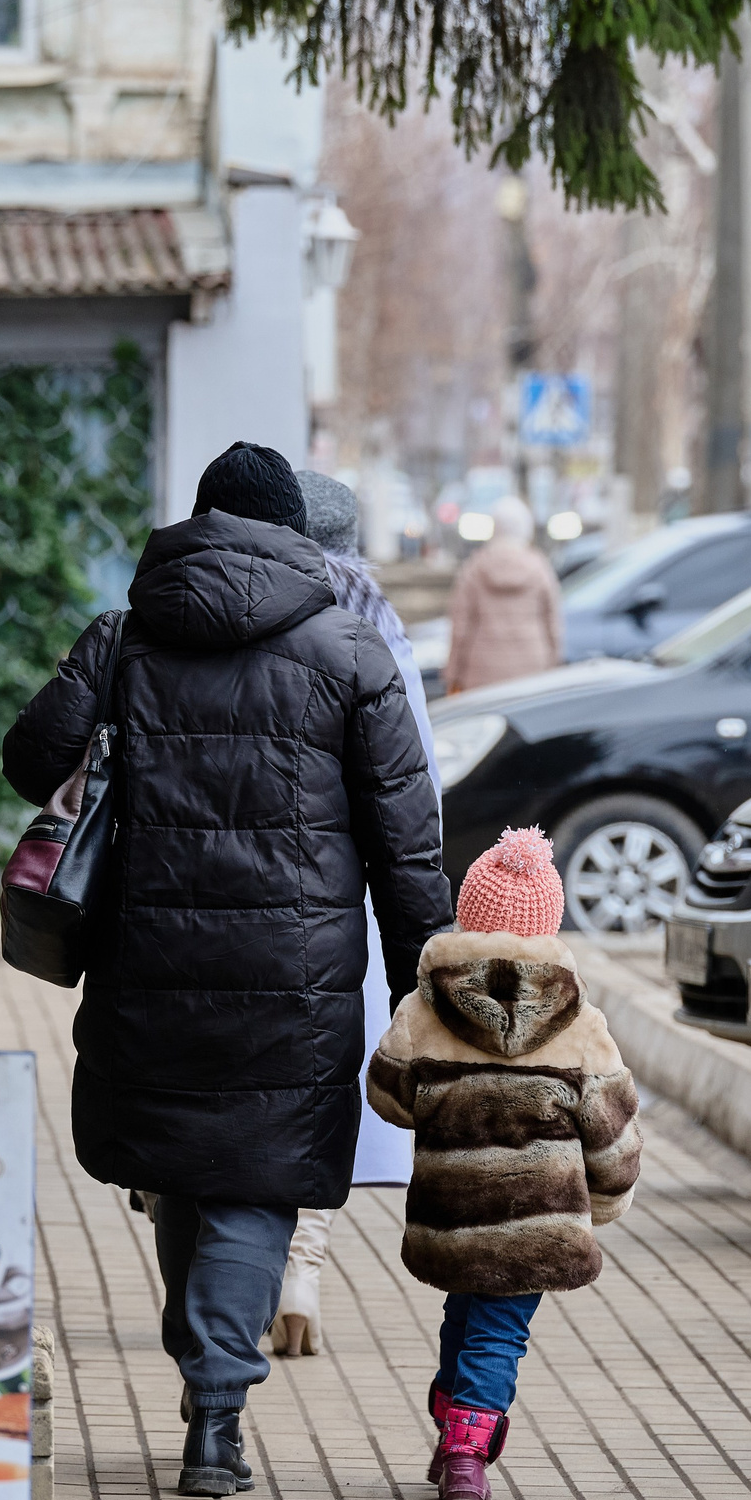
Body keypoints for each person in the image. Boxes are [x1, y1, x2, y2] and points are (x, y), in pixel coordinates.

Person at [2, 442, 451, 1498]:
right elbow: (407, 838)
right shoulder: (353, 654)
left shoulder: (123, 635)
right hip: (296, 979)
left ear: (197, 524)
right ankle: (217, 1410)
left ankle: (203, 1368)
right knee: (255, 1181)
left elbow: (30, 760)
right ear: (293, 536)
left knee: (178, 1171)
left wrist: (99, 687)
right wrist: (426, 976)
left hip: (144, 960)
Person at [365, 826, 642, 1500]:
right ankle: (465, 1448)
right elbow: (611, 1126)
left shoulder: (427, 1004)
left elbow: (388, 1095)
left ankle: (452, 1407)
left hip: (453, 1208)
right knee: (498, 1326)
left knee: (468, 1309)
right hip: (539, 1219)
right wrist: (605, 1200)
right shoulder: (580, 1019)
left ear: (468, 914)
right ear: (548, 922)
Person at [264, 471, 439, 1358]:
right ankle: (304, 1257)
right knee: (327, 1083)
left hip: (250, 892)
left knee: (256, 1086)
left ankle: (240, 1271)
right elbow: (420, 789)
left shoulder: (259, 615)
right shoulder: (380, 631)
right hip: (348, 901)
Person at [443, 495, 562, 694]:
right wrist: (554, 666)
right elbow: (553, 624)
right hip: (532, 670)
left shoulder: (474, 568)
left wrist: (453, 674)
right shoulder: (540, 567)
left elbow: (460, 627)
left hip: (481, 674)